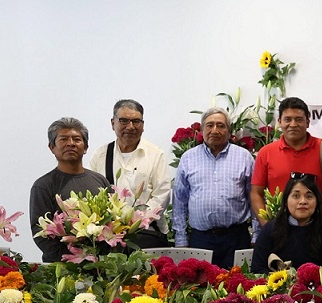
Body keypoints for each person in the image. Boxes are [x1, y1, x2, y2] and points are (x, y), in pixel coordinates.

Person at [172, 109, 256, 268]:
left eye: (221, 126)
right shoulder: (188, 158)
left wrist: (256, 235)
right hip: (200, 239)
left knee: (238, 281)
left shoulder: (244, 157)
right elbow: (179, 202)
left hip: (236, 238)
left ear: (229, 130)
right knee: (200, 282)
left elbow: (254, 197)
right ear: (202, 129)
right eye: (209, 125)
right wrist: (180, 239)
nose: (215, 130)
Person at [88, 99, 172, 248]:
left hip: (147, 233)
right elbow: (92, 194)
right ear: (113, 123)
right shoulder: (101, 155)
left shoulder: (155, 154)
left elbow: (161, 196)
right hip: (108, 237)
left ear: (143, 125)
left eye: (136, 121)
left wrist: (133, 222)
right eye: (124, 121)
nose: (130, 127)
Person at [251, 96, 322, 226]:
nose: (293, 125)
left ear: (307, 122)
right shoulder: (265, 153)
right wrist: (268, 226)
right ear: (279, 122)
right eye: (287, 119)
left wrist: (317, 222)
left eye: (299, 119)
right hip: (278, 228)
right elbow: (256, 193)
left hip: (316, 229)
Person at [29, 117, 110, 263]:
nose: (70, 143)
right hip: (61, 266)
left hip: (100, 265)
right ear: (52, 147)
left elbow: (112, 223)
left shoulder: (100, 181)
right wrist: (74, 259)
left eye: (77, 139)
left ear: (85, 147)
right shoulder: (43, 186)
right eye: (63, 139)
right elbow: (41, 233)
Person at [251, 174, 322, 274]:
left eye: (309, 196)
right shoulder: (270, 229)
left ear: (317, 202)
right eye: (296, 196)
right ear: (286, 201)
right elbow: (257, 270)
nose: (303, 201)